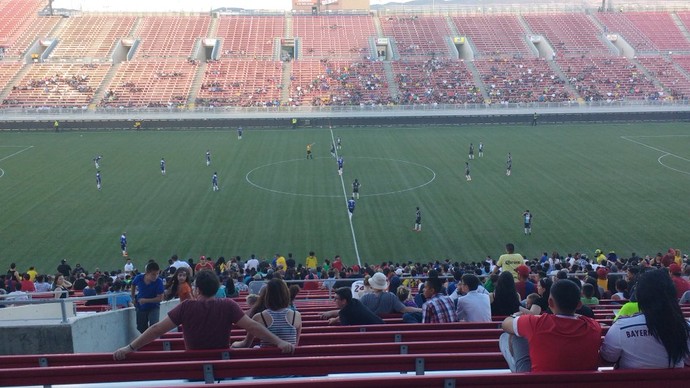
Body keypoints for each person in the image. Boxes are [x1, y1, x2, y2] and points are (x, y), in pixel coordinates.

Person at [113, 270, 294, 359]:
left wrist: (129, 348)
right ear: (217, 288)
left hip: (192, 365)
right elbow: (253, 327)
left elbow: (156, 329)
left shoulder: (186, 307)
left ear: (197, 289)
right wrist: (279, 341)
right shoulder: (228, 305)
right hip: (223, 364)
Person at [499, 279, 601, 372]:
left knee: (508, 335)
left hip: (538, 383)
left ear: (550, 302)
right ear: (579, 304)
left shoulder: (535, 323)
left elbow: (505, 324)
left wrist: (515, 316)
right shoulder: (594, 326)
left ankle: (521, 375)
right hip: (584, 383)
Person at [601, 269, 690, 368]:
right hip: (677, 383)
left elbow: (608, 359)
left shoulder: (621, 327)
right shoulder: (685, 328)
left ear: (640, 295)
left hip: (631, 383)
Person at [232, 278, 302, 348]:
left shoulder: (259, 317)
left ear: (267, 295)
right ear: (286, 294)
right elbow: (295, 346)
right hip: (289, 358)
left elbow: (246, 344)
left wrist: (234, 344)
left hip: (266, 357)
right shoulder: (296, 316)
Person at [131, 261, 165, 334]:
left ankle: (153, 340)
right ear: (147, 273)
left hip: (154, 306)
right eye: (153, 274)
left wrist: (146, 300)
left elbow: (160, 298)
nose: (155, 276)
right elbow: (133, 284)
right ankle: (146, 339)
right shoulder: (139, 278)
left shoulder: (159, 281)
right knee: (141, 327)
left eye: (157, 274)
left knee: (154, 326)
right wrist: (133, 297)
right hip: (141, 307)